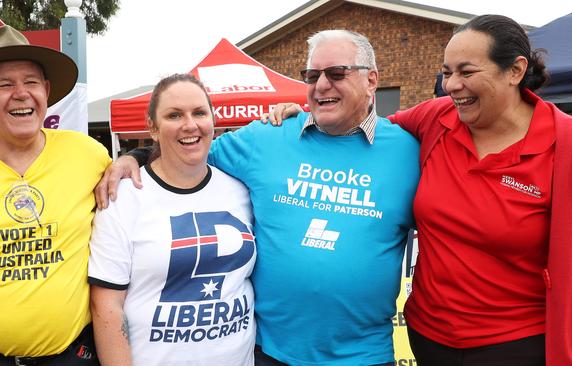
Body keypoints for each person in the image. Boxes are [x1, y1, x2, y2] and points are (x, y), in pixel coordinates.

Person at [264, 15, 572, 366]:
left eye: (466, 72)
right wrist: (306, 115)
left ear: (515, 71)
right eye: (447, 73)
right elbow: (361, 126)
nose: (452, 85)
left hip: (516, 344)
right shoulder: (437, 119)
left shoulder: (567, 145)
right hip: (429, 339)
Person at [97, 30, 420, 365]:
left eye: (337, 73)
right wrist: (132, 158)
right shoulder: (267, 137)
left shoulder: (408, 153)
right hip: (271, 354)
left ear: (371, 80)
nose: (322, 85)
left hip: (365, 355)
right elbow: (189, 150)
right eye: (312, 75)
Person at [0, 25, 111, 365]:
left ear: (46, 91)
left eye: (31, 82)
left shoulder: (89, 155)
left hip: (72, 356)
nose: (21, 93)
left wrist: (133, 158)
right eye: (5, 84)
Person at [88, 74, 256, 366]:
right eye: (174, 115)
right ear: (153, 128)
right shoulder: (124, 199)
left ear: (212, 121)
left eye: (199, 113)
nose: (190, 125)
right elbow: (106, 307)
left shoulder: (241, 190)